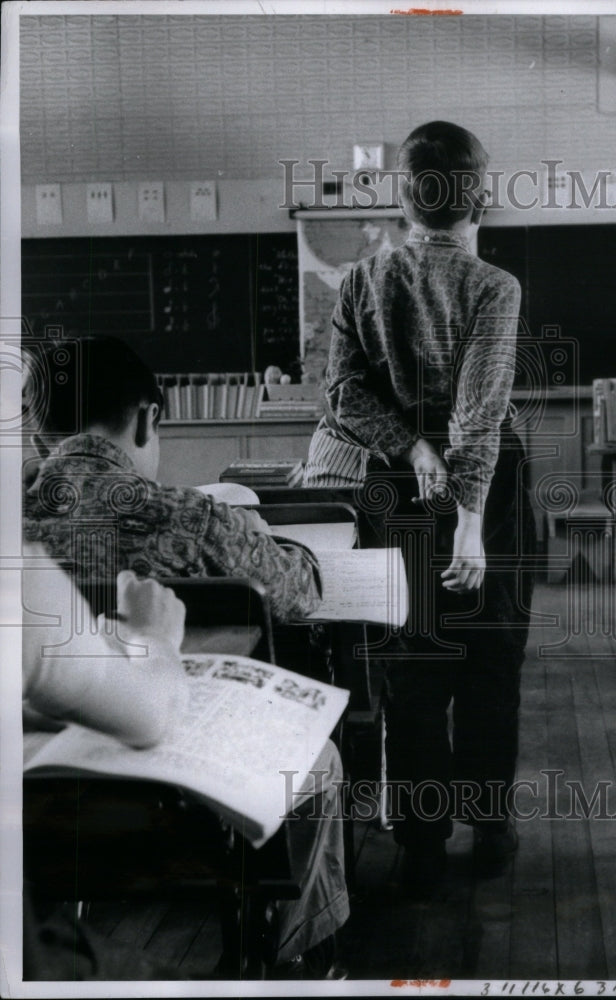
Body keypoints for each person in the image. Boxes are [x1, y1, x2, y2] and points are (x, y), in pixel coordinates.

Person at [324, 120, 534, 888]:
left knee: (410, 669)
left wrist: (412, 450)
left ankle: (418, 843)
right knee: (491, 662)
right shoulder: (494, 287)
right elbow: (479, 411)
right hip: (491, 496)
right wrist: (471, 525)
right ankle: (489, 833)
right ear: (479, 194)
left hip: (398, 494)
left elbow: (344, 393)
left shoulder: (359, 280)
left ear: (404, 198)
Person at [21, 550, 348, 979]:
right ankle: (291, 950)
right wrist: (151, 634)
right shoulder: (22, 572)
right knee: (320, 759)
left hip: (32, 842)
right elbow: (151, 714)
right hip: (40, 925)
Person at [23, 336, 321, 622]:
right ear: (146, 421)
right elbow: (302, 590)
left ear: (40, 446)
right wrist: (261, 537)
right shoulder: (190, 519)